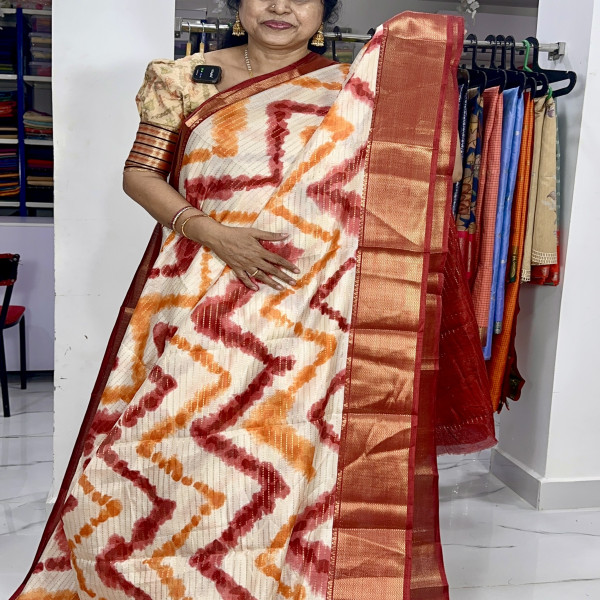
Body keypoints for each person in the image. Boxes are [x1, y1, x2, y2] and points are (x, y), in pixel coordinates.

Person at [11, 2, 495, 599]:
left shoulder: (352, 92)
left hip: (305, 311)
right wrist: (214, 234)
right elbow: (140, 175)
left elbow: (417, 184)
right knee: (158, 447)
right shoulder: (182, 79)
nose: (281, 6)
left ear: (324, 12)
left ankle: (265, 583)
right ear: (238, 7)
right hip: (196, 293)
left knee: (282, 455)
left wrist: (417, 93)